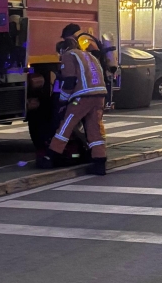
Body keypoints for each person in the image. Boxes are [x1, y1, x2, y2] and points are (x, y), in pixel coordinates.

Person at [37, 23, 109, 175]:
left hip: (83, 96)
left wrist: (62, 101)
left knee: (66, 124)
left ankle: (51, 156)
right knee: (95, 129)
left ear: (63, 48)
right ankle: (99, 162)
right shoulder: (88, 55)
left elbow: (69, 81)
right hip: (99, 95)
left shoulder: (69, 55)